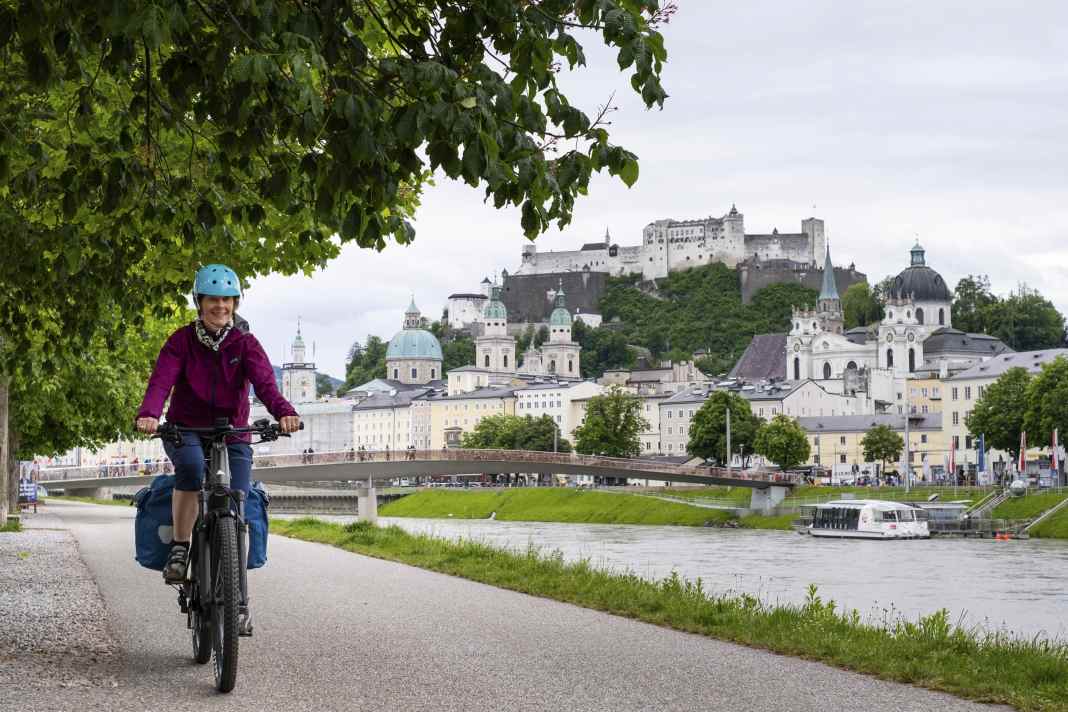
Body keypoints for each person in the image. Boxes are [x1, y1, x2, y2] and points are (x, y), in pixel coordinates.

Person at [135, 264, 301, 598]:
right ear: (200, 301)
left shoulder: (245, 344)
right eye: (213, 299)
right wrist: (150, 413)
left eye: (227, 300)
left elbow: (266, 385)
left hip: (233, 431)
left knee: (237, 495)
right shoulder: (181, 341)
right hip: (187, 429)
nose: (220, 307)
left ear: (235, 304)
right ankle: (181, 548)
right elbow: (161, 381)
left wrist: (285, 412)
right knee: (193, 470)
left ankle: (234, 582)